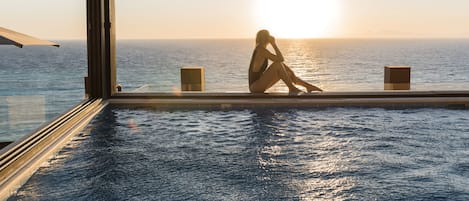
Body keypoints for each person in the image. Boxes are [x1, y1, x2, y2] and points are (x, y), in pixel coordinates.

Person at [248, 29, 323, 94]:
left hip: (259, 85)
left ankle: (308, 86)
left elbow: (281, 61)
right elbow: (280, 59)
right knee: (277, 64)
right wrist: (274, 44)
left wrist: (291, 73)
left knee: (286, 71)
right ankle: (292, 88)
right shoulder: (260, 50)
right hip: (255, 86)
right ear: (266, 38)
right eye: (268, 36)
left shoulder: (261, 49)